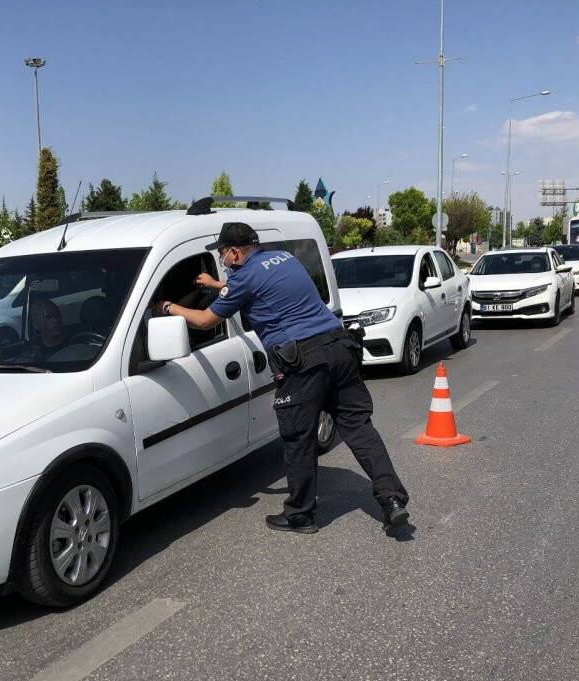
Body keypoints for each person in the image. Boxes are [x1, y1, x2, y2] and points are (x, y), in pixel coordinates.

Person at [153, 222, 409, 535]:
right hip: (339, 347)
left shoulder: (244, 277)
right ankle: (392, 499)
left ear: (235, 252)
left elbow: (206, 321)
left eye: (222, 254)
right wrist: (218, 284)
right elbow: (258, 286)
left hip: (303, 361)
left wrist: (168, 307)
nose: (222, 260)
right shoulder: (284, 259)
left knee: (298, 437)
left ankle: (301, 515)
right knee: (359, 428)